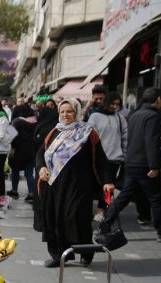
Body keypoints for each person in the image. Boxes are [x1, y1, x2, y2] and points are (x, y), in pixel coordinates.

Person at [98, 88, 161, 244]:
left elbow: (141, 139)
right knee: (156, 199)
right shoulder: (152, 116)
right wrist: (154, 165)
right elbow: (150, 141)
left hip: (132, 162)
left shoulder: (135, 114)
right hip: (145, 164)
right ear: (158, 99)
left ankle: (105, 224)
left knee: (124, 197)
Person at [36, 99, 114, 268]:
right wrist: (41, 167)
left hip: (78, 186)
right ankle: (58, 255)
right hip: (54, 185)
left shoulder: (87, 133)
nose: (65, 115)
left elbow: (100, 158)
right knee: (55, 219)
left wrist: (107, 180)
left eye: (69, 111)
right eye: (62, 111)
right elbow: (41, 153)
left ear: (76, 112)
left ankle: (85, 252)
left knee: (76, 218)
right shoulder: (54, 132)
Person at [88, 92, 151, 224]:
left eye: (117, 104)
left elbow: (125, 138)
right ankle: (89, 210)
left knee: (108, 188)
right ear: (106, 102)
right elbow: (90, 136)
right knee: (93, 184)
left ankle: (102, 210)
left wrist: (125, 156)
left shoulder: (120, 118)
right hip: (98, 158)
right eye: (112, 103)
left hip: (114, 159)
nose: (115, 106)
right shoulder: (95, 116)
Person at [8, 104, 37, 201]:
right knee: (29, 173)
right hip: (31, 150)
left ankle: (14, 191)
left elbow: (12, 137)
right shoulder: (34, 121)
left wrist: (12, 146)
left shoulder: (16, 121)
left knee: (15, 171)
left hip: (18, 150)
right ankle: (32, 193)